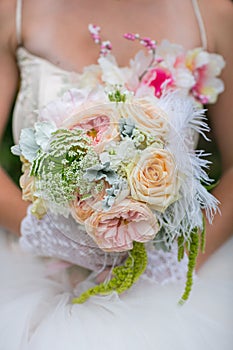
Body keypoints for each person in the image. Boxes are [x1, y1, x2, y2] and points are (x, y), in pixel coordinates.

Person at [0, 0, 232, 349]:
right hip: (34, 273)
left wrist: (173, 264)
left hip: (164, 280)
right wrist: (43, 233)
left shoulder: (214, 12)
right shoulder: (13, 10)